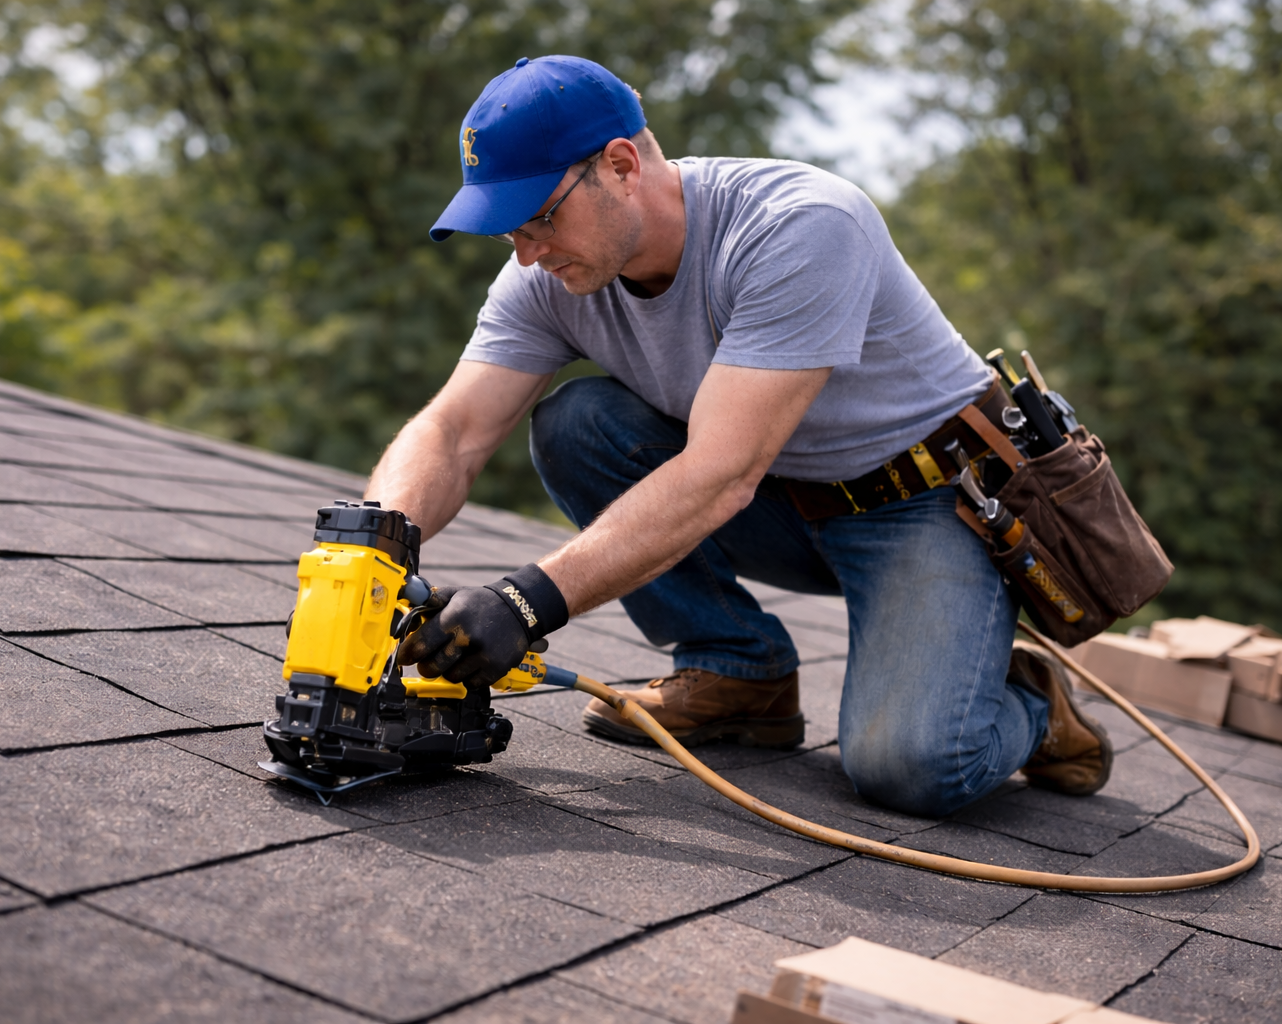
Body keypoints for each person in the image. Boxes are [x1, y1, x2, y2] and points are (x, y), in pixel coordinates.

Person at [372, 55, 1111, 817]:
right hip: (783, 503)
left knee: (915, 766)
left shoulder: (800, 225)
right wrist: (370, 555)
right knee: (578, 424)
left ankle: (1024, 696)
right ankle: (739, 670)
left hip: (925, 507)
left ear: (621, 165)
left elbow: (722, 473)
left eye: (539, 218)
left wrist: (523, 603)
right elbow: (453, 429)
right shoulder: (548, 276)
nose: (527, 252)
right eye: (506, 233)